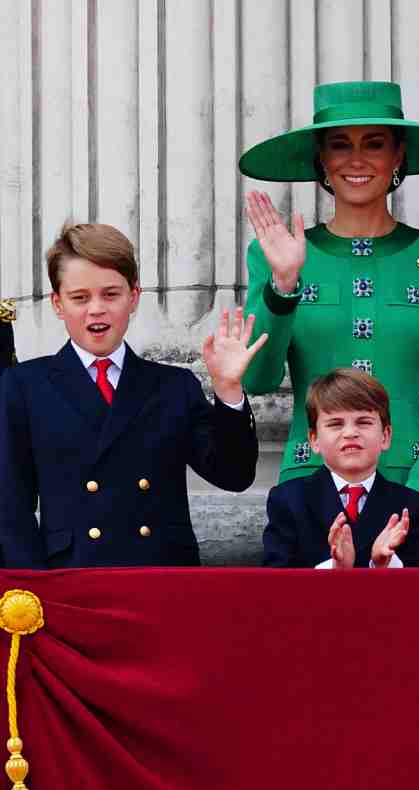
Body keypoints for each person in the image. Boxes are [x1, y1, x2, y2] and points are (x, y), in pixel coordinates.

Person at [239, 80, 419, 565]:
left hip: (409, 490)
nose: (356, 159)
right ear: (320, 159)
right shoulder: (279, 256)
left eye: (374, 143)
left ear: (398, 155)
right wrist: (284, 283)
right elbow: (258, 379)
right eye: (339, 144)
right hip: (307, 496)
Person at [0, 223, 262, 568]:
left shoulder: (173, 386)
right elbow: (10, 506)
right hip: (71, 580)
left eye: (111, 294)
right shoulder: (23, 386)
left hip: (161, 580)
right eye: (80, 297)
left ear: (133, 297)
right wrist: (31, 591)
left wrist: (228, 390)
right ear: (58, 304)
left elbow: (234, 475)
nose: (96, 309)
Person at [262, 368, 419, 569]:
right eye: (336, 424)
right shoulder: (289, 500)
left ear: (386, 436)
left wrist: (382, 564)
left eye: (363, 422)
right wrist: (335, 568)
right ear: (314, 439)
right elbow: (275, 585)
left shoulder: (412, 507)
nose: (350, 432)